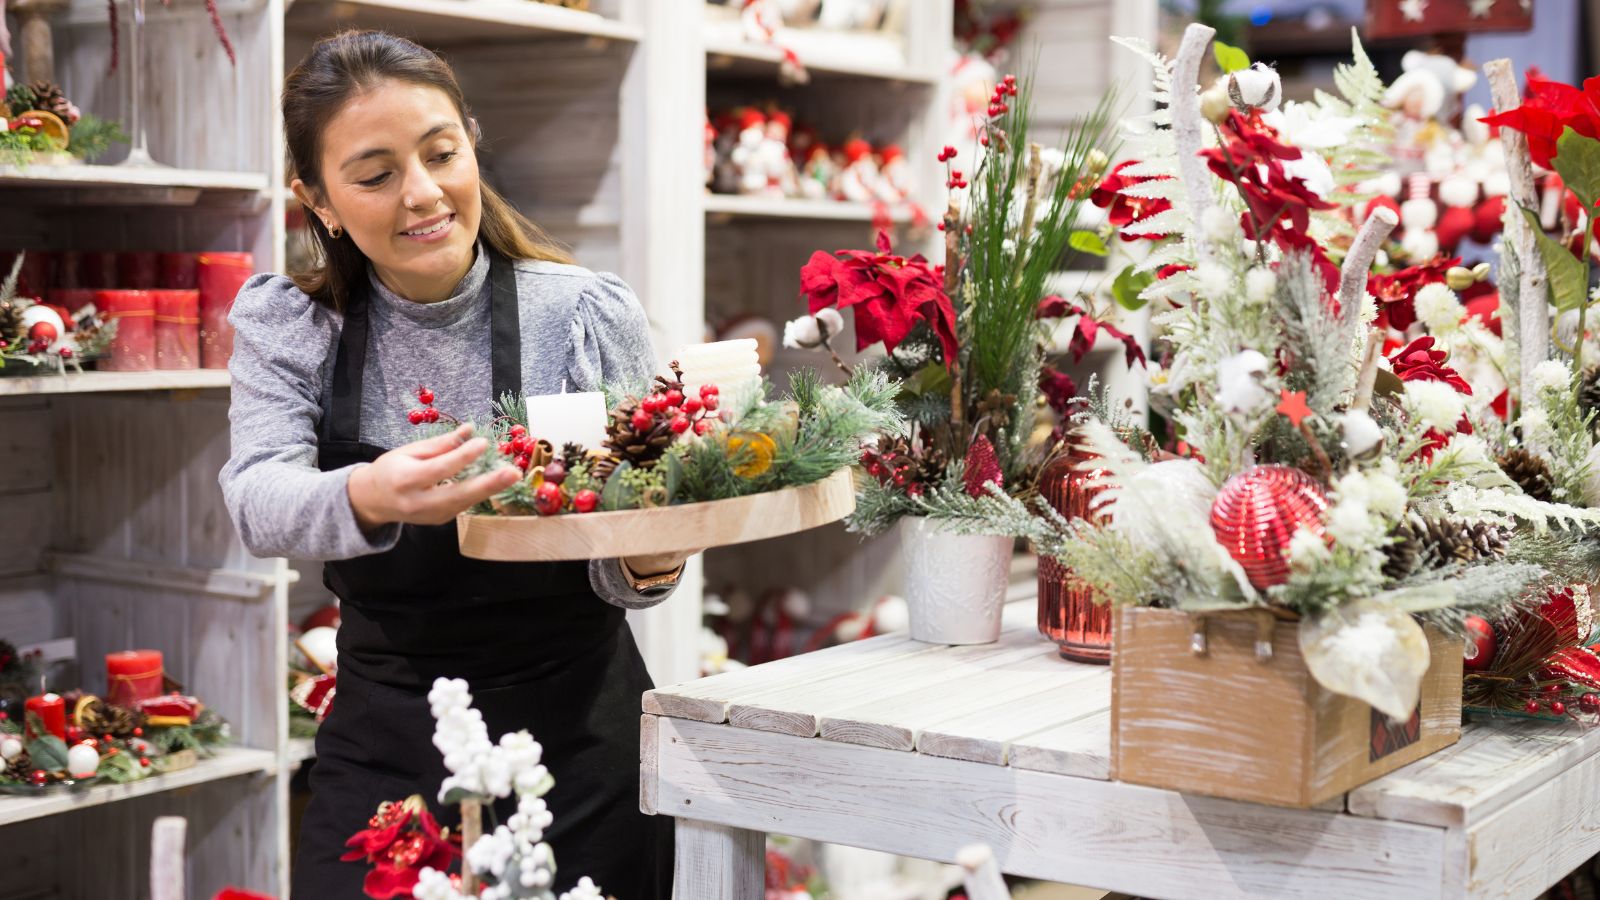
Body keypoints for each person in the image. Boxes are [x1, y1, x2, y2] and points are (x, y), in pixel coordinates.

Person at [218, 29, 678, 898]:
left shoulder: (580, 313)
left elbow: (632, 545)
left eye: (441, 154)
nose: (423, 194)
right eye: (375, 173)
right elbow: (258, 500)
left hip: (578, 740)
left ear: (471, 142)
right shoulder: (294, 325)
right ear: (316, 199)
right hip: (386, 740)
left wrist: (650, 561)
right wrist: (370, 493)